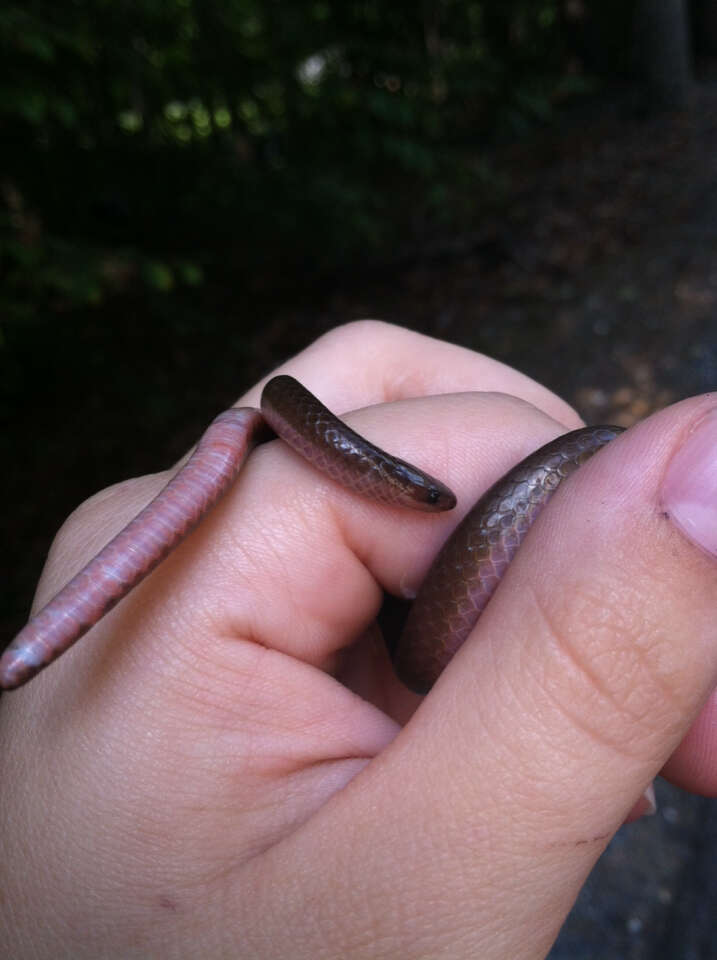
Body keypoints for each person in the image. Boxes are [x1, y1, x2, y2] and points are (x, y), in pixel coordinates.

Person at [1, 320, 715, 959]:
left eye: (432, 500)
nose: (434, 504)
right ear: (388, 478)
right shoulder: (341, 452)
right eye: (427, 497)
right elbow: (283, 401)